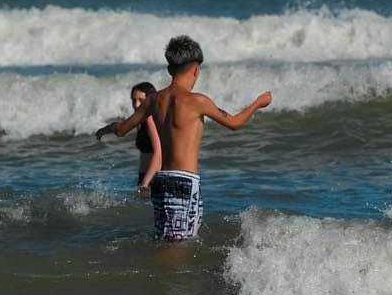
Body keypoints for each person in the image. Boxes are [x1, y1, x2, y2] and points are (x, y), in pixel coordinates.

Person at [107, 36, 272, 241]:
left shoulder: (153, 100)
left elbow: (122, 129)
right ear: (196, 70)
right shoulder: (197, 101)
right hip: (184, 181)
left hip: (160, 181)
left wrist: (107, 129)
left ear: (169, 70)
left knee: (165, 239)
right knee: (179, 245)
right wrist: (258, 103)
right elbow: (235, 123)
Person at [95, 81, 163, 192]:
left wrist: (145, 184)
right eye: (133, 100)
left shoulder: (149, 117)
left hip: (153, 178)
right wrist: (105, 130)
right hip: (147, 176)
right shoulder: (143, 118)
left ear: (150, 100)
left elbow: (158, 153)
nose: (136, 105)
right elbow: (121, 127)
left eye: (141, 100)